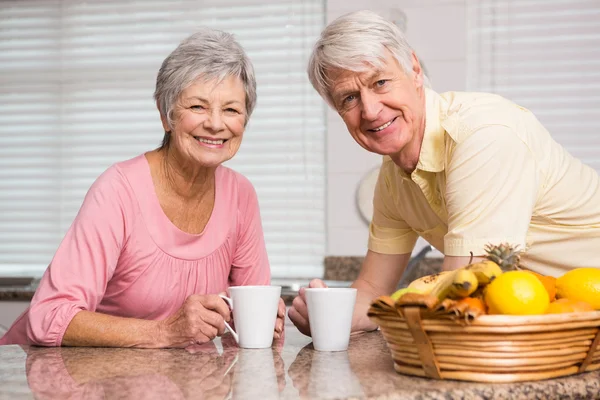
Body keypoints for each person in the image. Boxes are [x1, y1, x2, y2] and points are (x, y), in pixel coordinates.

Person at [288, 10, 600, 337]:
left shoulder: (483, 135)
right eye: (349, 98)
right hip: (556, 325)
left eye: (380, 82)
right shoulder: (393, 178)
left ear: (415, 69)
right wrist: (333, 317)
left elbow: (461, 290)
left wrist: (391, 309)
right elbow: (371, 288)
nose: (370, 110)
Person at [0, 28, 285, 347]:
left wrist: (268, 322)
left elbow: (248, 320)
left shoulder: (241, 195)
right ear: (166, 115)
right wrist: (165, 332)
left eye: (231, 109)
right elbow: (48, 316)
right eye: (198, 107)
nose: (216, 124)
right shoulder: (118, 189)